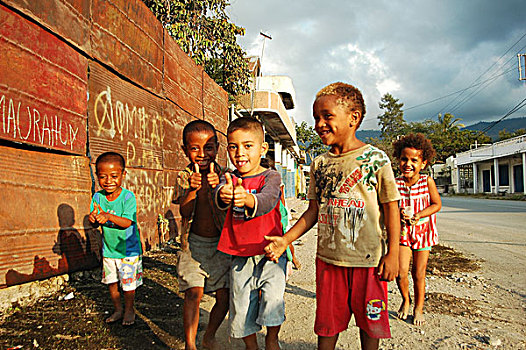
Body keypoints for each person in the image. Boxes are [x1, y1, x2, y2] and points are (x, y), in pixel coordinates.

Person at [264, 82, 401, 350]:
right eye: (316, 117)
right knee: (327, 325)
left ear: (354, 118)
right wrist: (285, 239)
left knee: (370, 325)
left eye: (327, 116)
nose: (319, 123)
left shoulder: (376, 159)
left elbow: (391, 208)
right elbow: (313, 211)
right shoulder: (319, 164)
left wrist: (393, 253)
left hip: (369, 263)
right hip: (329, 262)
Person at [216, 117, 285, 350]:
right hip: (240, 254)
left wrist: (248, 199)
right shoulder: (229, 178)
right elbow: (220, 193)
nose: (240, 152)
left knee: (273, 299)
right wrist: (224, 194)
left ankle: (272, 338)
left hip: (271, 252)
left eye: (248, 145)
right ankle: (251, 345)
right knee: (242, 302)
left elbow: (267, 200)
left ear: (262, 148)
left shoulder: (271, 177)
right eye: (233, 146)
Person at [173, 120, 230, 350]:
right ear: (184, 149)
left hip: (220, 246)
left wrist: (220, 190)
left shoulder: (225, 175)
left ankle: (209, 335)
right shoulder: (184, 177)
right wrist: (193, 190)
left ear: (217, 148)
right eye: (194, 148)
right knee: (193, 294)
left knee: (224, 297)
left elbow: (227, 213)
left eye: (208, 147)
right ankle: (190, 345)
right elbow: (184, 211)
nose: (202, 154)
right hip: (192, 245)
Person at [393, 133, 442, 326]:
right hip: (403, 235)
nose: (408, 164)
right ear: (398, 160)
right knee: (401, 272)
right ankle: (406, 299)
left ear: (423, 163)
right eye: (404, 159)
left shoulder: (427, 181)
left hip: (424, 234)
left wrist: (419, 215)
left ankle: (419, 307)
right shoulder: (395, 184)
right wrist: (399, 215)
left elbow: (436, 204)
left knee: (418, 274)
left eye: (414, 160)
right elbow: (389, 207)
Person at [89, 152, 142, 326]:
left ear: (123, 175)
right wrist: (93, 220)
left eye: (114, 176)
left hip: (128, 249)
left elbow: (127, 222)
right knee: (111, 282)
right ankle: (118, 309)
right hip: (109, 249)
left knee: (128, 285)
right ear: (97, 176)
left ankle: (129, 309)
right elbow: (96, 223)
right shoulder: (97, 197)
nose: (108, 181)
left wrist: (108, 216)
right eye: (103, 177)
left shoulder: (128, 197)